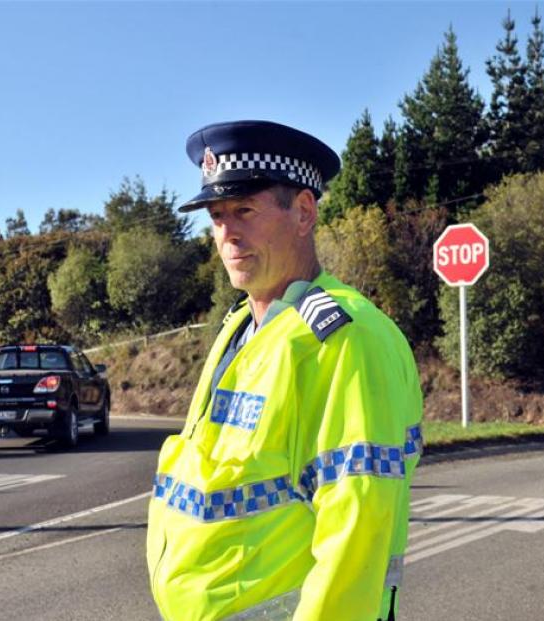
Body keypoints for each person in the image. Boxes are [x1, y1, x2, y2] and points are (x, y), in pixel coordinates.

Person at [146, 120, 423, 621]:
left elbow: (355, 536)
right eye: (216, 216)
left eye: (245, 210)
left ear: (303, 212)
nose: (228, 234)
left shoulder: (342, 339)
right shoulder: (241, 326)